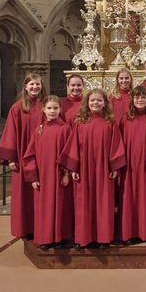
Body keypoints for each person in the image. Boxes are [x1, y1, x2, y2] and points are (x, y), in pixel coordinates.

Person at [59, 89, 126, 248]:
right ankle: (84, 238)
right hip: (84, 169)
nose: (95, 103)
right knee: (84, 203)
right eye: (92, 101)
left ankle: (104, 238)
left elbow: (116, 146)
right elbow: (73, 146)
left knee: (104, 203)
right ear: (87, 103)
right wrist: (73, 168)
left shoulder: (110, 123)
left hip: (103, 170)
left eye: (99, 100)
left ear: (105, 103)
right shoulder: (80, 123)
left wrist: (114, 166)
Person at [0, 72, 47, 238]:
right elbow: (10, 133)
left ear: (42, 86)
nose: (35, 87)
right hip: (22, 156)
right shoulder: (17, 108)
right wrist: (11, 158)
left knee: (42, 192)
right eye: (31, 84)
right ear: (25, 87)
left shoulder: (47, 106)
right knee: (23, 194)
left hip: (44, 156)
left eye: (37, 84)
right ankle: (26, 229)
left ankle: (43, 227)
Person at [22, 96, 73, 249]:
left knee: (61, 205)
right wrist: (33, 177)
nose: (52, 111)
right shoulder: (39, 130)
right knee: (44, 207)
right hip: (43, 177)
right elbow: (30, 155)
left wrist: (66, 174)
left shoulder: (65, 129)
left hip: (58, 176)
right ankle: (45, 238)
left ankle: (60, 237)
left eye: (55, 108)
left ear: (60, 110)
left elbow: (69, 153)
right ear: (43, 110)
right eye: (49, 108)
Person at [117, 86, 146, 244]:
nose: (140, 100)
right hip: (130, 166)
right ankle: (130, 233)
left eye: (143, 97)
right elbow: (118, 142)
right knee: (130, 198)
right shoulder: (125, 119)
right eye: (137, 97)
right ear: (132, 100)